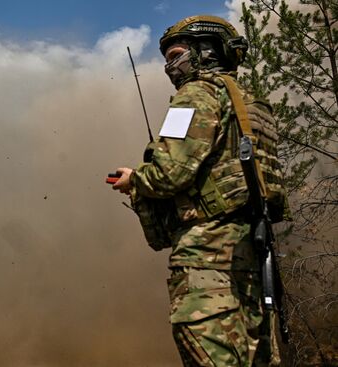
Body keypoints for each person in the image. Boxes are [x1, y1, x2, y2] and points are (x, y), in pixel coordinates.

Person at [111, 15, 289, 366]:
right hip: (251, 253)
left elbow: (170, 173)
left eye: (176, 54)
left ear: (206, 51)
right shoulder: (254, 106)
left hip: (208, 257)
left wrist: (134, 180)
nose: (169, 67)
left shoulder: (196, 95)